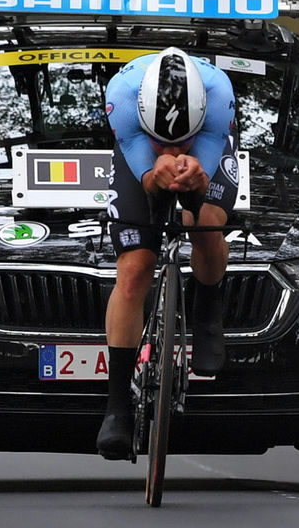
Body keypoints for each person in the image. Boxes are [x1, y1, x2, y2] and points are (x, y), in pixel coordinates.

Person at [96, 47, 239, 460]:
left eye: (179, 142)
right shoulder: (121, 96)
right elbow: (144, 176)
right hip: (136, 146)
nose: (171, 150)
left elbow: (206, 164)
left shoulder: (218, 95)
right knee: (136, 267)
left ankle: (207, 312)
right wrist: (152, 171)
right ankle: (117, 408)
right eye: (164, 142)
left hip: (209, 142)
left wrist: (196, 173)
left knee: (205, 223)